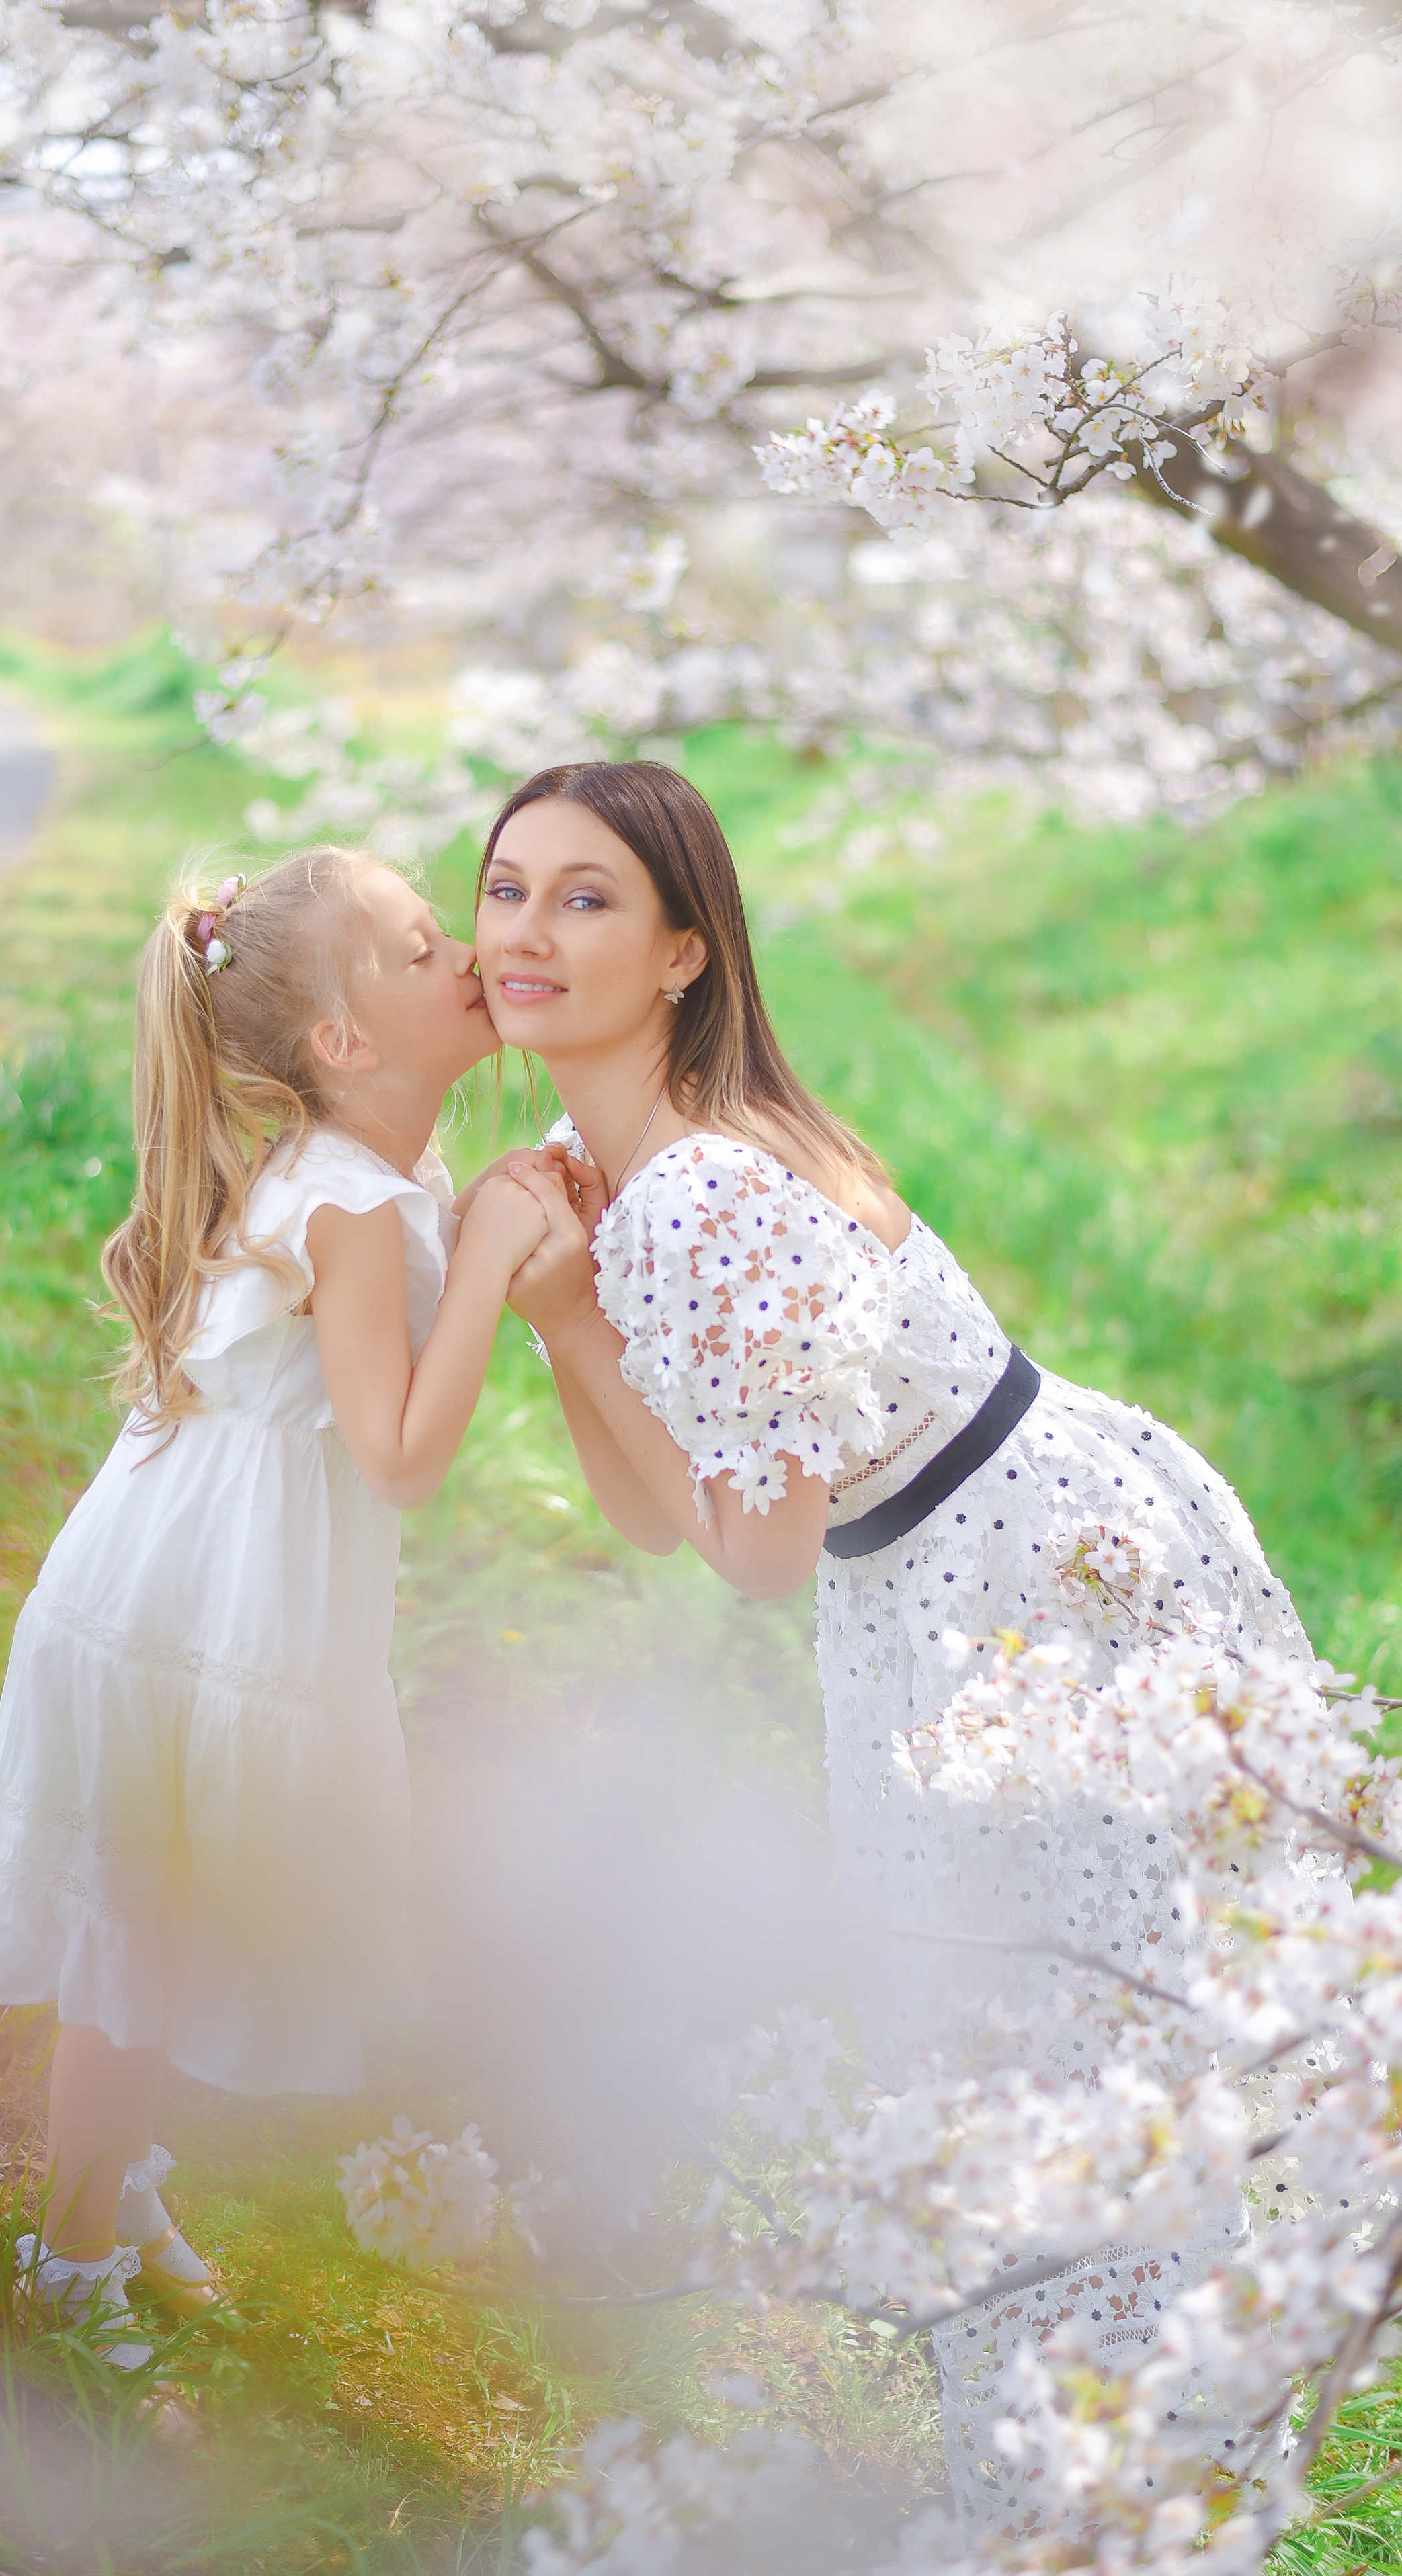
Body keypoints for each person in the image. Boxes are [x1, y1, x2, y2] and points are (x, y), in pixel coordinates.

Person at [470, 760, 1313, 2522]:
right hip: (998, 1540)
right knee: (1050, 2040)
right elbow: (663, 1510)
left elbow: (752, 1555)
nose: (527, 930)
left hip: (1004, 1589)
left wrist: (567, 1309)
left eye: (586, 896)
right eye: (504, 888)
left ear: (685, 951)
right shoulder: (648, 1152)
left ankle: (1104, 2495)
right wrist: (560, 1317)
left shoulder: (695, 1191)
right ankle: (1097, 2484)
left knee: (1042, 2047)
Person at [0, 846, 567, 2367]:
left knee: (159, 1924)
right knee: (133, 1948)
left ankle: (114, 2189)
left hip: (207, 1596)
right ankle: (65, 2266)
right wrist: (490, 1257)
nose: (463, 952)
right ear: (344, 1041)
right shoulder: (352, 1206)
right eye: (419, 948)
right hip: (187, 1625)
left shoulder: (369, 1173)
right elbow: (401, 1457)